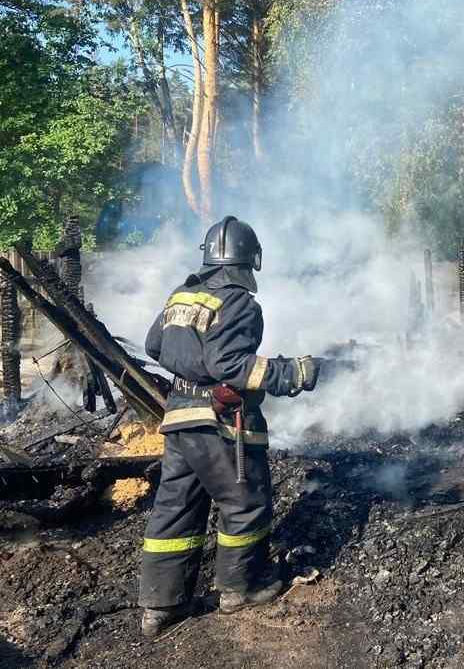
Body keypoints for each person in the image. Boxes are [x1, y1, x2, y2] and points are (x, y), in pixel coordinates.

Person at [139, 216, 324, 638]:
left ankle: (160, 605)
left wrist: (192, 367)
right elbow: (231, 366)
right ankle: (242, 588)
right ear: (251, 259)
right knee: (244, 502)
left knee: (175, 508)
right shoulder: (238, 301)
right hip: (219, 423)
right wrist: (292, 373)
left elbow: (154, 345)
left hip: (179, 420)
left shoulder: (181, 296)